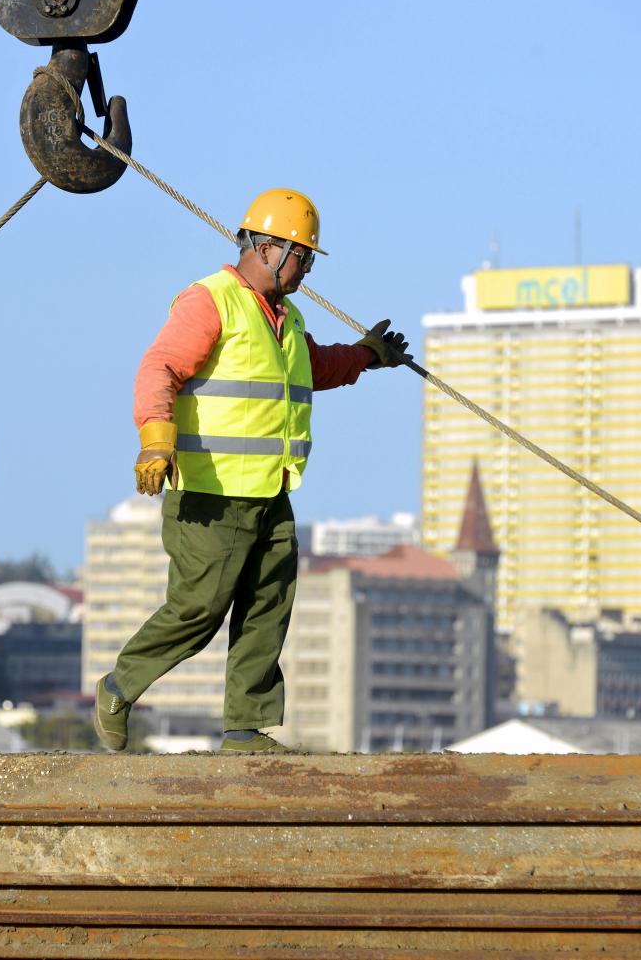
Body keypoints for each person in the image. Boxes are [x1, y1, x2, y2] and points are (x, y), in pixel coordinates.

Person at [93, 188, 408, 753]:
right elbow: (159, 368)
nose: (306, 269)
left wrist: (367, 355)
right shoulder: (210, 301)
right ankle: (119, 687)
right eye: (302, 257)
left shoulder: (284, 319)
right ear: (266, 248)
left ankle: (244, 728)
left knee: (269, 602)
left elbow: (315, 367)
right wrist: (155, 442)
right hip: (210, 496)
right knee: (199, 609)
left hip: (269, 492)